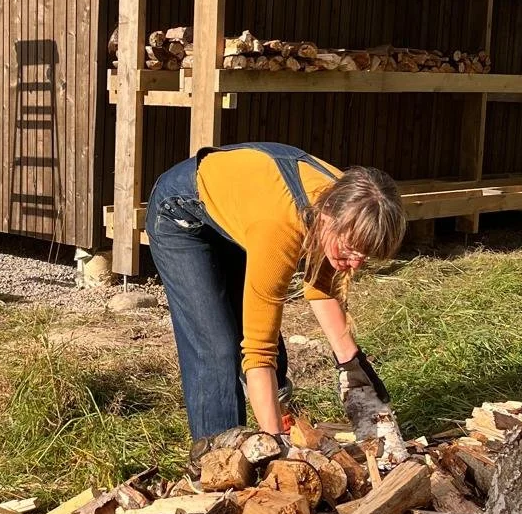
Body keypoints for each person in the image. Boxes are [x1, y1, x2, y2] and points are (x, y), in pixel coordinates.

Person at [145, 141, 406, 461]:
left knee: (268, 342)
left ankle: (275, 420)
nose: (355, 263)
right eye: (350, 251)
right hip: (181, 211)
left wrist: (352, 366)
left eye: (363, 256)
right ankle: (217, 462)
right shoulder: (281, 226)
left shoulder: (351, 202)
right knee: (219, 349)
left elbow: (321, 288)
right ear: (328, 217)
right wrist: (277, 451)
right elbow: (258, 352)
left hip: (240, 211)